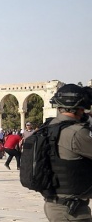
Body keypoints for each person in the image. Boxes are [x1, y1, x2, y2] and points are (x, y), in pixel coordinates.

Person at [42, 84, 92, 221]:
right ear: (80, 108)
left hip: (54, 204)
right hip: (72, 210)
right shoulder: (77, 133)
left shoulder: (48, 127)